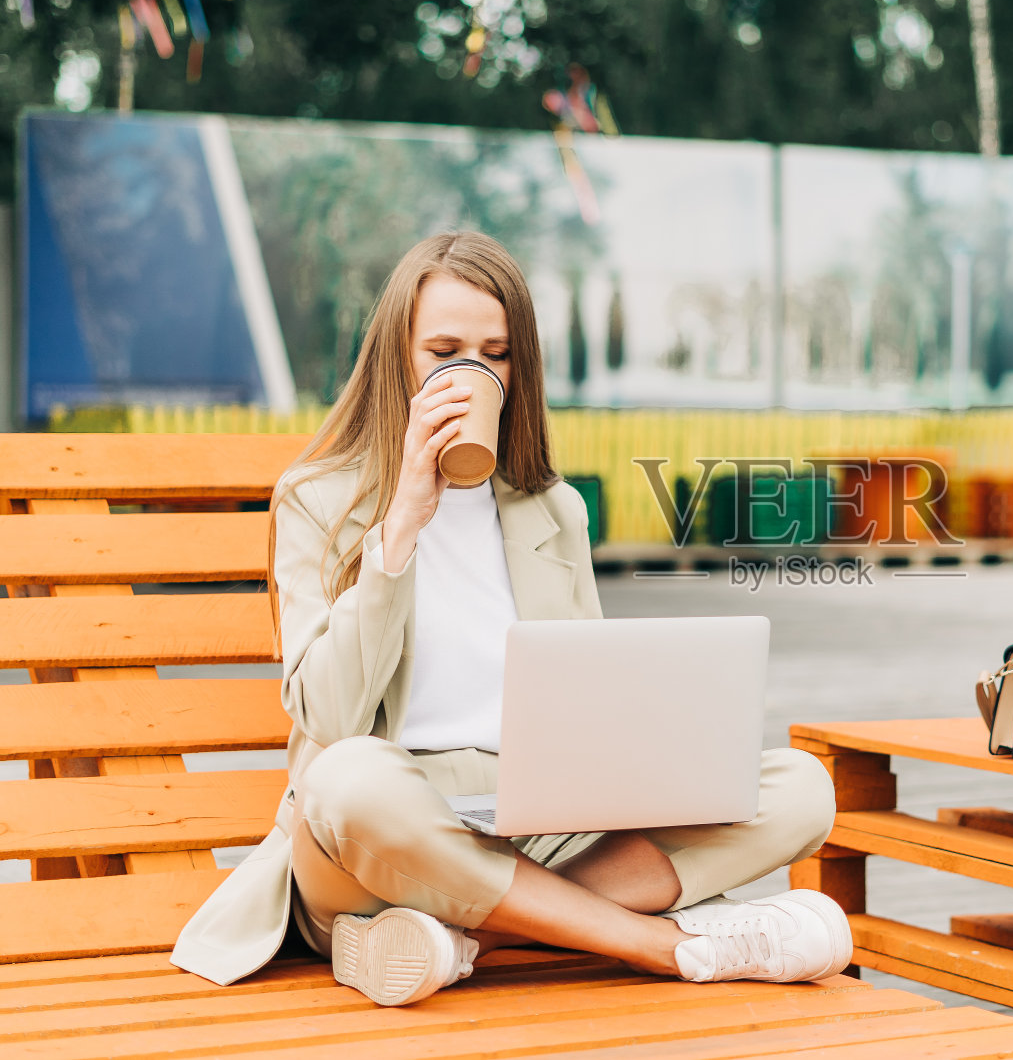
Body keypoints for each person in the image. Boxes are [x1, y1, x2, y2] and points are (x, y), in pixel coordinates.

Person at [170, 231, 852, 1005]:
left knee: (799, 785)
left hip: (540, 822)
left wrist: (653, 749)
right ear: (400, 356)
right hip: (379, 839)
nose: (472, 372)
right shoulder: (319, 499)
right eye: (445, 350)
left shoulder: (552, 511)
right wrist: (400, 526)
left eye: (494, 353)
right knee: (346, 775)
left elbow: (590, 699)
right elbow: (329, 713)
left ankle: (459, 941)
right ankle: (659, 942)